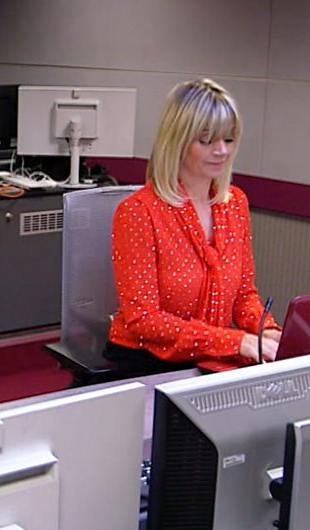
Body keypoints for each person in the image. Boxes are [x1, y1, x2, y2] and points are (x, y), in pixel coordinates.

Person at [105, 78, 281, 375]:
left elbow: (243, 296)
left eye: (229, 139)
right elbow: (143, 320)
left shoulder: (235, 203)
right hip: (148, 361)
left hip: (210, 357)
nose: (221, 150)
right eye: (206, 140)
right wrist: (235, 341)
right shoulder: (138, 212)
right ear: (177, 141)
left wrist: (267, 330)